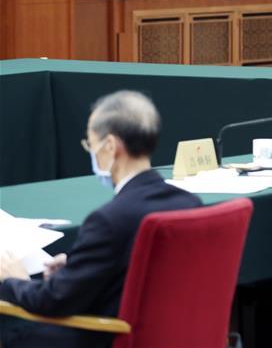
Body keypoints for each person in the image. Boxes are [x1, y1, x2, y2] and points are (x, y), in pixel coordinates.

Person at [0, 91, 201, 348]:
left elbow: (54, 301)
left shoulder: (109, 220)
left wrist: (15, 281)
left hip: (110, 336)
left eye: (91, 144)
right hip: (177, 336)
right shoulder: (188, 203)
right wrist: (77, 264)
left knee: (13, 324)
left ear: (110, 146)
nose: (92, 153)